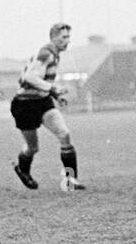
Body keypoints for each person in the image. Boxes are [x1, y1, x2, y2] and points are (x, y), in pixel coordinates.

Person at [10, 22, 85, 190]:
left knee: (64, 134)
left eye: (68, 37)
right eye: (63, 37)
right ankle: (22, 170)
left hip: (42, 102)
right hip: (25, 104)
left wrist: (56, 95)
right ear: (53, 38)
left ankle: (70, 180)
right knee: (32, 147)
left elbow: (41, 81)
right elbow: (29, 78)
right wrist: (52, 88)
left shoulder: (55, 55)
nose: (67, 41)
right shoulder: (46, 53)